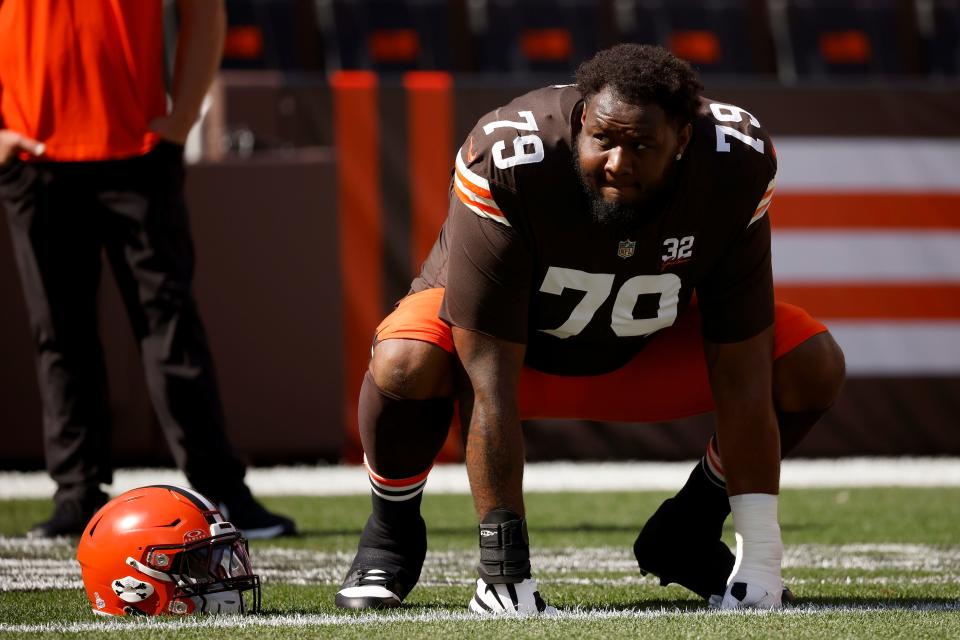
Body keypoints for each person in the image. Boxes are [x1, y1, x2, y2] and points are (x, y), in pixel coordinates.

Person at [334, 43, 845, 613]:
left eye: (642, 145)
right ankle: (390, 535)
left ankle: (689, 527)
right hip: (506, 353)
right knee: (405, 360)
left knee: (808, 364)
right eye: (604, 139)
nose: (619, 164)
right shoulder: (509, 157)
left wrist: (761, 561)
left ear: (683, 140)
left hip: (643, 340)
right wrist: (503, 570)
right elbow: (488, 380)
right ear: (580, 123)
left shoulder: (734, 161)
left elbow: (743, 366)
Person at [0, 0, 295, 539]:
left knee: (171, 329)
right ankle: (76, 494)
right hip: (32, 159)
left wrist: (182, 119)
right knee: (59, 334)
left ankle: (220, 491)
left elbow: (204, 12)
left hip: (139, 154)